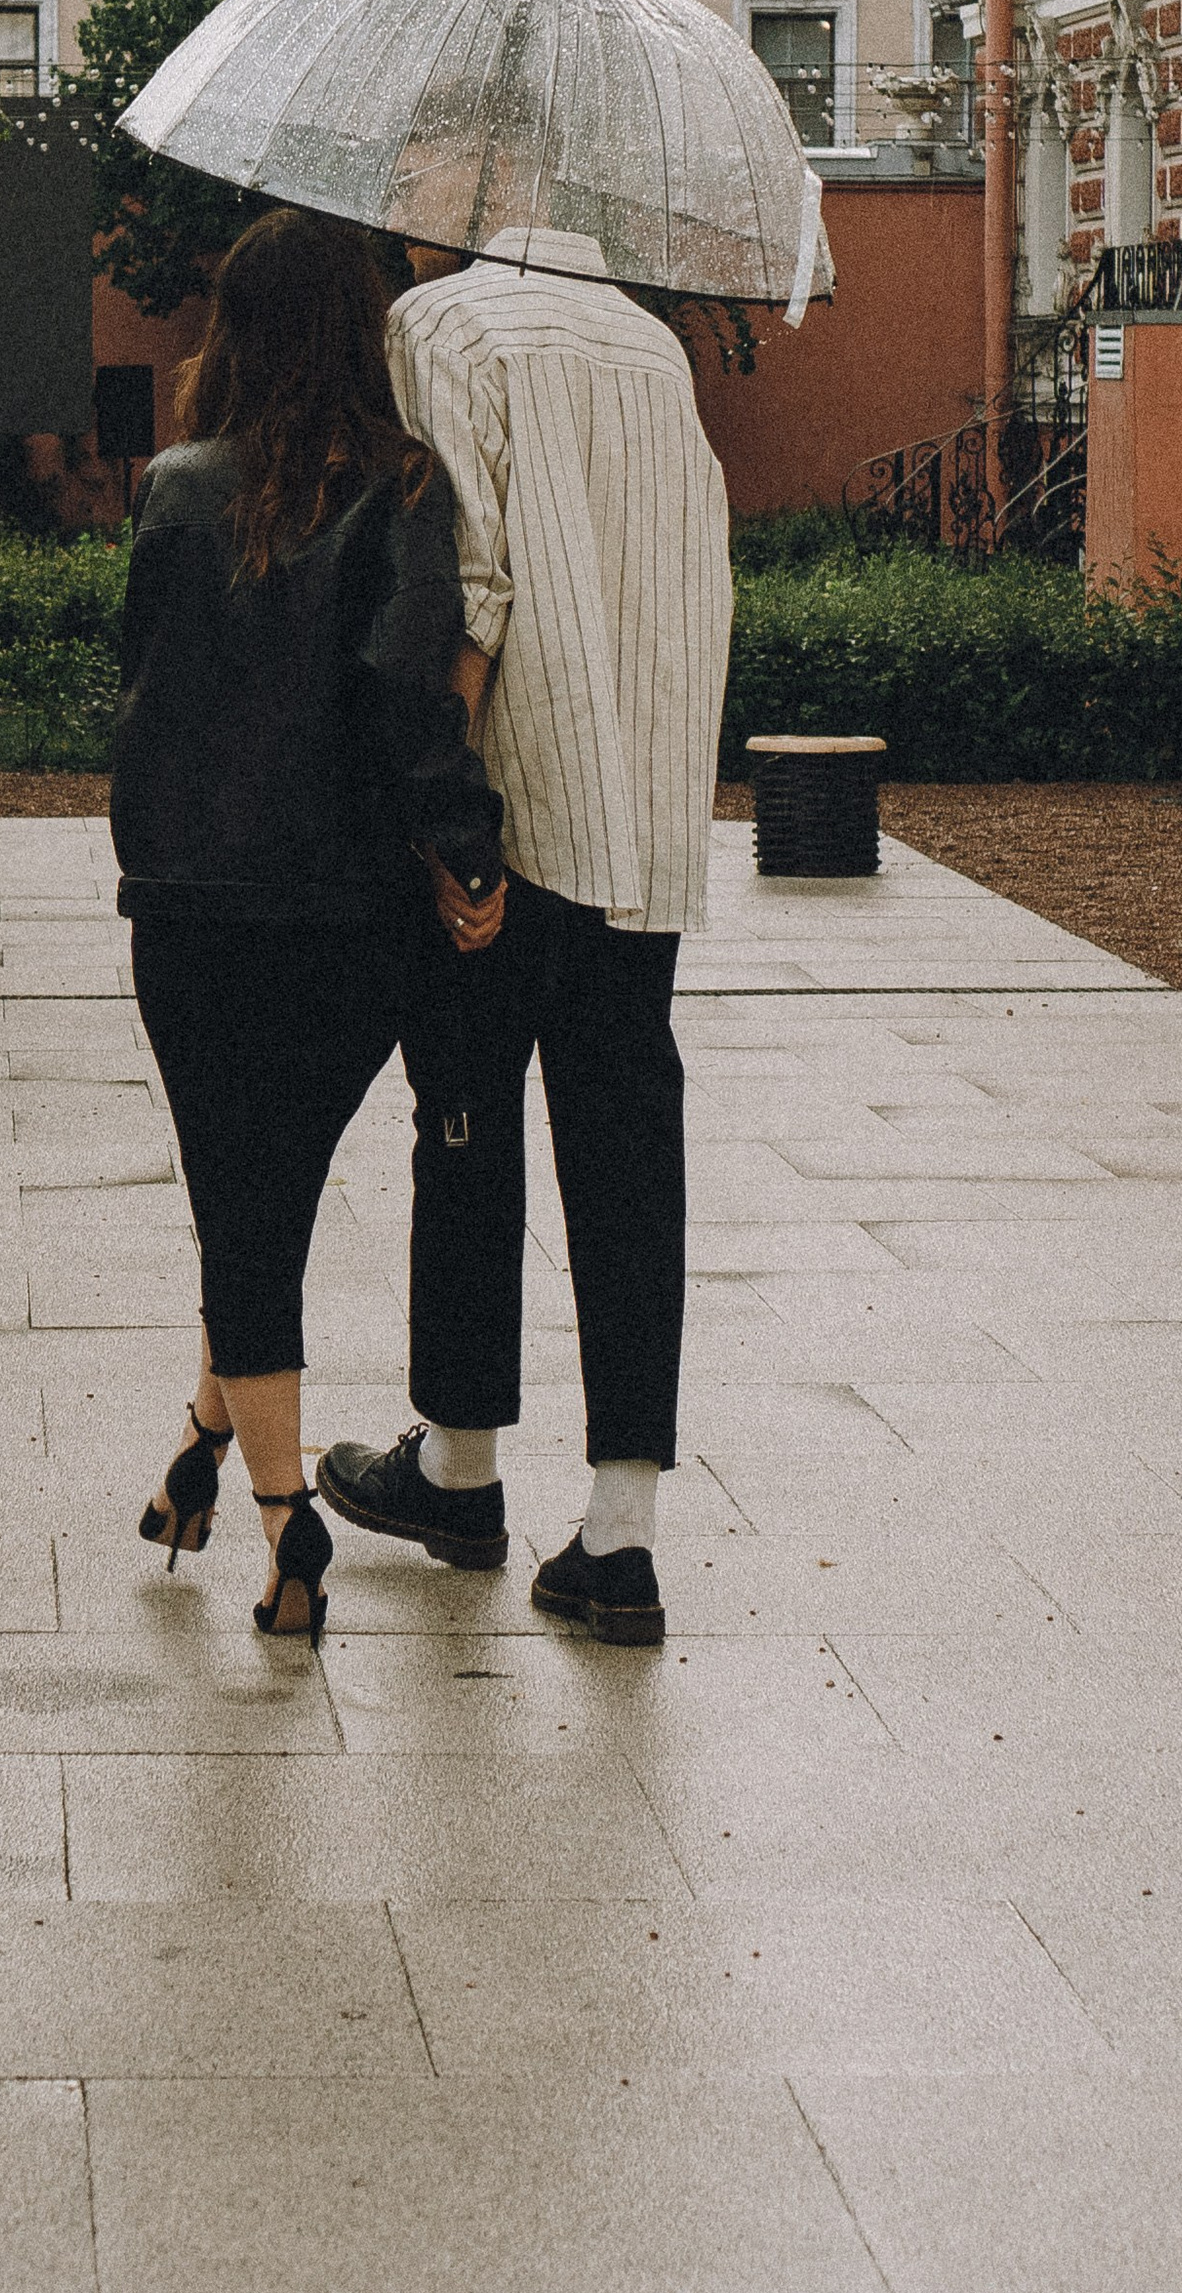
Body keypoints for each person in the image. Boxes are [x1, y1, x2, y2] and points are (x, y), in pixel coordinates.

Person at [317, 241, 733, 1647]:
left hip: (518, 804)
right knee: (627, 1145)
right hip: (646, 816)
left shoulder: (443, 327)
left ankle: (460, 1468)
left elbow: (471, 583)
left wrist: (454, 822)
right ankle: (621, 1530)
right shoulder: (650, 348)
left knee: (467, 1127)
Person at [112, 208, 506, 1645]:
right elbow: (411, 701)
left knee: (244, 1199)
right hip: (347, 921)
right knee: (259, 1198)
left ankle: (277, 1518)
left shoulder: (170, 486)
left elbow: (145, 682)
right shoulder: (403, 487)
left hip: (190, 909)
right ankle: (227, 1470)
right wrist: (467, 855)